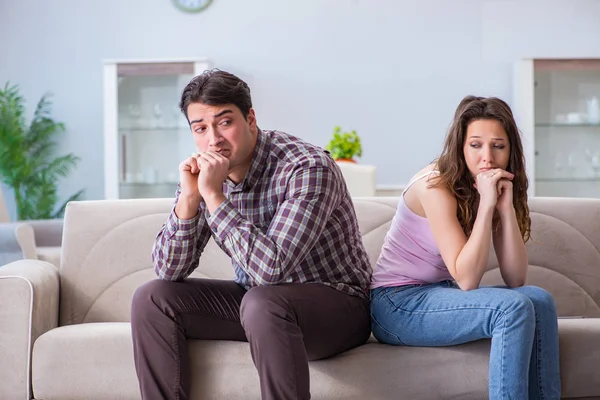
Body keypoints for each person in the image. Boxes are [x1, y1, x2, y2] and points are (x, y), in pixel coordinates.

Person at [130, 69, 372, 400]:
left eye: (224, 122)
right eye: (200, 128)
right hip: (259, 306)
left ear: (251, 119)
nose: (213, 139)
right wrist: (189, 200)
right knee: (151, 298)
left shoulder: (307, 167)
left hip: (339, 306)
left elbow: (270, 270)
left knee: (262, 301)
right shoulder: (203, 174)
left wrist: (213, 197)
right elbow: (169, 270)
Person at [370, 95, 560, 399]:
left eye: (498, 146)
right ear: (460, 147)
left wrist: (504, 207)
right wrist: (486, 205)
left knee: (539, 299)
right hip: (396, 304)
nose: (487, 157)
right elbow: (468, 280)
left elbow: (516, 277)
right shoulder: (435, 185)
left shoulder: (489, 186)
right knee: (512, 308)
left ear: (511, 151)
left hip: (440, 294)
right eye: (475, 145)